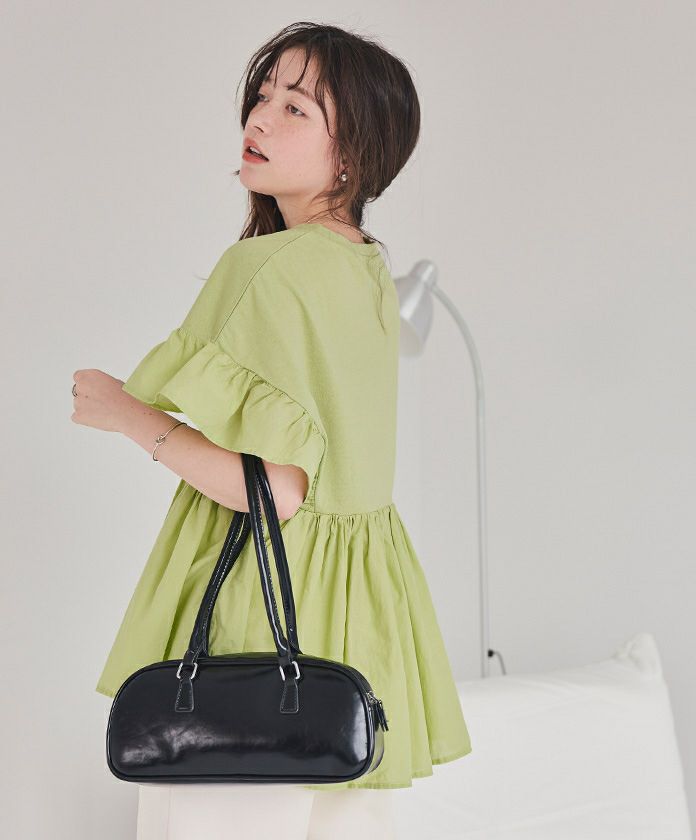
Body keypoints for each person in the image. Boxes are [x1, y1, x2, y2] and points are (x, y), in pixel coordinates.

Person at [73, 21, 472, 839]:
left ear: (351, 154)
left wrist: (128, 415)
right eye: (262, 95)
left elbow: (277, 492)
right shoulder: (367, 267)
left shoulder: (269, 268)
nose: (258, 118)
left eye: (296, 108)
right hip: (357, 617)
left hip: (261, 607)